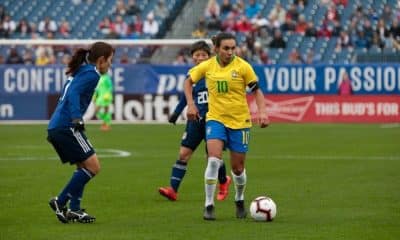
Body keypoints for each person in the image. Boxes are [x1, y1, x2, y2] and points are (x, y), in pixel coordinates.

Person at [184, 32, 269, 220]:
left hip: (240, 122)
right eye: (226, 48)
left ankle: (239, 198)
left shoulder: (243, 67)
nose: (230, 52)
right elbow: (188, 82)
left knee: (238, 169)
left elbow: (257, 91)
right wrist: (191, 104)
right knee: (213, 160)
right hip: (215, 119)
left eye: (233, 48)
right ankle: (209, 205)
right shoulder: (207, 66)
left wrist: (262, 112)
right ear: (216, 49)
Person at [47, 42, 114, 224]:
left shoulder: (82, 70)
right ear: (101, 60)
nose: (110, 65)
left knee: (82, 167)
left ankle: (74, 210)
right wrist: (77, 117)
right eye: (110, 60)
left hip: (57, 126)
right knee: (93, 167)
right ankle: (60, 202)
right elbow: (74, 93)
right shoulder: (92, 74)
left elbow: (70, 91)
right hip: (67, 125)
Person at [159, 41, 231, 201]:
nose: (200, 58)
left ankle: (223, 181)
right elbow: (187, 96)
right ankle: (173, 190)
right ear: (192, 58)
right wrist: (176, 113)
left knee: (212, 157)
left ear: (209, 56)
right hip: (195, 121)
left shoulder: (217, 73)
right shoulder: (192, 75)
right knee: (183, 154)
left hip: (214, 121)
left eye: (203, 55)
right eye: (196, 55)